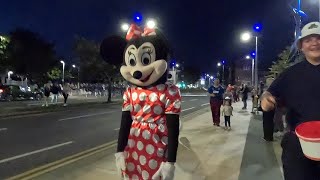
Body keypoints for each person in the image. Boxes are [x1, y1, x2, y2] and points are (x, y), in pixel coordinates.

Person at [261, 22, 320, 180]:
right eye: (308, 40)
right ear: (301, 46)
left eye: (318, 38)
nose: (314, 43)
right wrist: (266, 100)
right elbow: (268, 93)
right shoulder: (290, 74)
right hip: (297, 144)